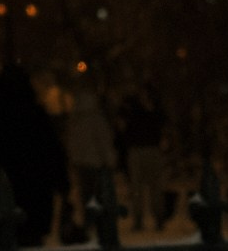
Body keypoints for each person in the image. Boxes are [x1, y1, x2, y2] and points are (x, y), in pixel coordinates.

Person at [0, 59, 68, 247]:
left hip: (6, 183)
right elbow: (53, 151)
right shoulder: (35, 114)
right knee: (32, 240)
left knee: (7, 237)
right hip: (36, 186)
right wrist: (61, 183)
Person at [64, 75, 116, 240]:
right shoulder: (95, 118)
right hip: (96, 164)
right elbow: (103, 141)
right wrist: (109, 160)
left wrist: (74, 159)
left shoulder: (75, 120)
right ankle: (99, 223)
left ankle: (90, 222)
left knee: (87, 196)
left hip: (82, 164)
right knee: (99, 196)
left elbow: (72, 142)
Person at [118, 91, 166, 233]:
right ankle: (149, 219)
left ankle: (152, 218)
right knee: (145, 187)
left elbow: (124, 131)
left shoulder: (136, 110)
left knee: (145, 187)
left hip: (143, 149)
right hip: (144, 149)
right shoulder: (139, 110)